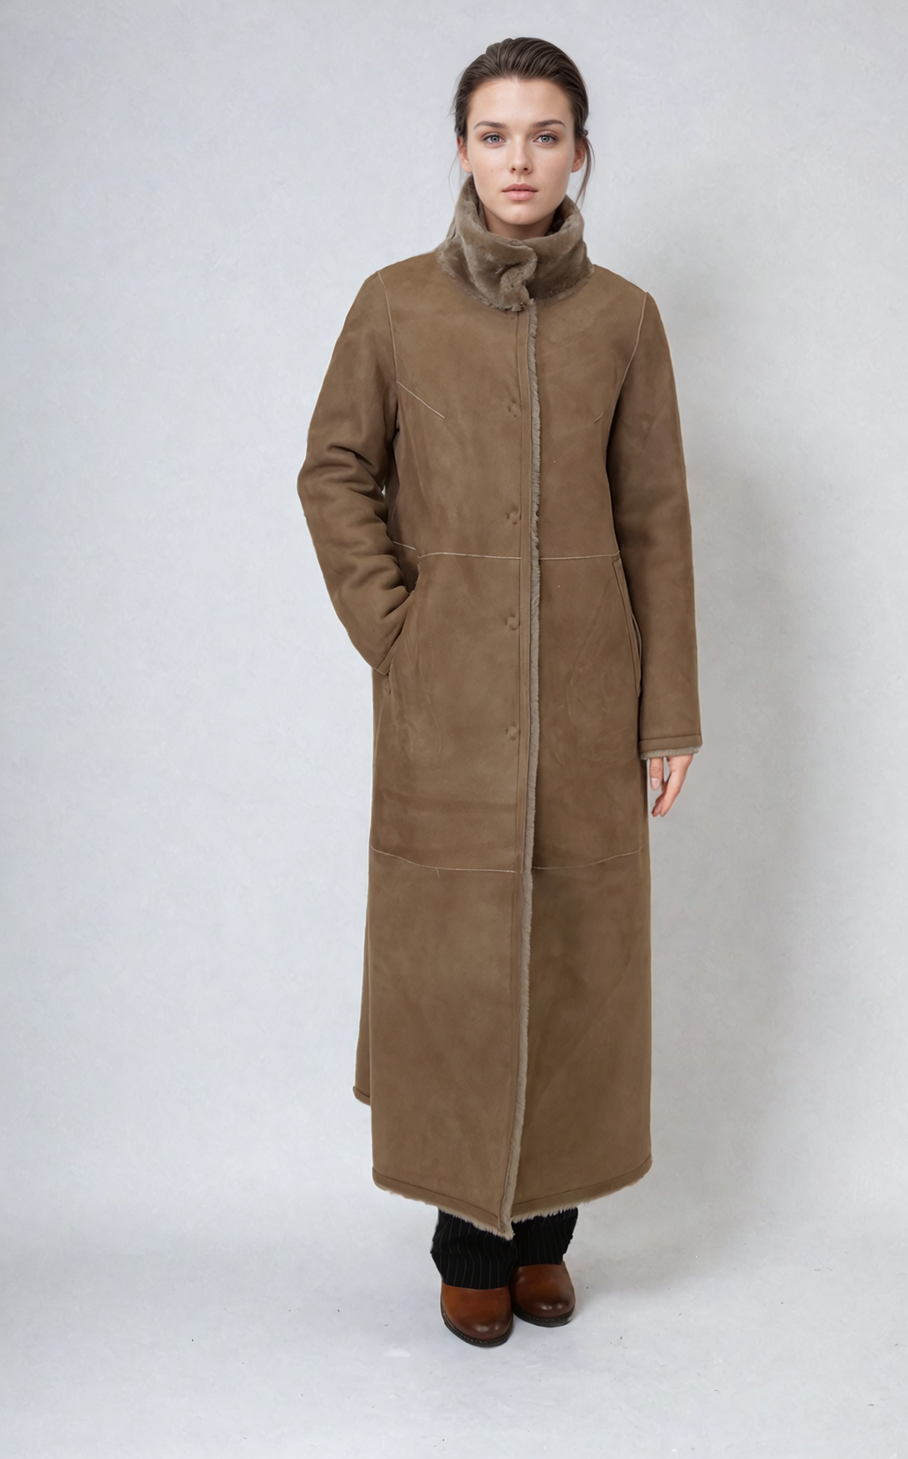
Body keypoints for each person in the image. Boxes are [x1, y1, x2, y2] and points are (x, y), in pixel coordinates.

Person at [297, 37, 701, 1348]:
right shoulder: (396, 306)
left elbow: (656, 524)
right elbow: (334, 469)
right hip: (448, 709)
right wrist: (397, 628)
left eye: (545, 134)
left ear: (582, 151)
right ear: (462, 148)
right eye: (493, 133)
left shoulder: (625, 319)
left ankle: (547, 1240)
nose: (519, 159)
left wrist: (667, 713)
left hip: (588, 701)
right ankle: (468, 1242)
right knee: (458, 965)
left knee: (576, 964)